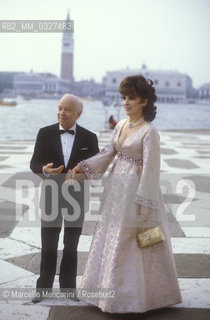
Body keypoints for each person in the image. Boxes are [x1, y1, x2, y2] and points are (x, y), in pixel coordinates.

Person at [70, 75, 182, 313]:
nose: (126, 102)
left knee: (136, 241)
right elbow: (108, 153)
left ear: (144, 101)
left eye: (131, 98)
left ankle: (139, 298)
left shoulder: (149, 132)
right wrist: (83, 166)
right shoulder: (121, 125)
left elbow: (152, 170)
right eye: (124, 97)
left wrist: (144, 204)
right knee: (111, 237)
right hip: (116, 191)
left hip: (137, 192)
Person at [30, 94, 99, 302]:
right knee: (48, 244)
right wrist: (45, 170)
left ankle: (69, 288)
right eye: (59, 108)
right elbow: (34, 164)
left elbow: (94, 168)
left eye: (67, 109)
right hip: (51, 196)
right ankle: (43, 289)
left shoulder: (90, 137)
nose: (62, 113)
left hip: (77, 198)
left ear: (79, 114)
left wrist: (82, 175)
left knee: (71, 244)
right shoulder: (44, 133)